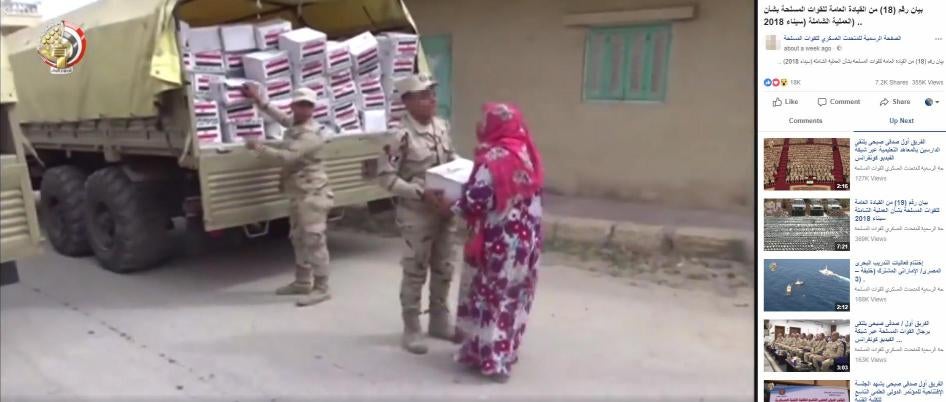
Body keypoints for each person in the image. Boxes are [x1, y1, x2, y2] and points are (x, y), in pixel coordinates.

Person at [431, 102, 544, 383]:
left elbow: (477, 200)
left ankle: (490, 358)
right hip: (526, 240)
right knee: (515, 296)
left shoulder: (494, 157)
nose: (481, 125)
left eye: (485, 121)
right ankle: (506, 351)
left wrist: (448, 203)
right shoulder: (525, 151)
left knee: (491, 295)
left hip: (499, 240)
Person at [376, 74, 460, 354]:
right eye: (424, 95)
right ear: (407, 102)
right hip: (416, 215)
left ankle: (439, 319)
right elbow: (386, 179)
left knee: (444, 267)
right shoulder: (399, 137)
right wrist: (419, 192)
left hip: (445, 211)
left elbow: (451, 162)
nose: (432, 99)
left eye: (433, 93)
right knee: (415, 271)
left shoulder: (442, 127)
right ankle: (412, 326)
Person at [242, 85, 335, 307]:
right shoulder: (295, 124)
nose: (304, 109)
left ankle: (322, 287)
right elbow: (282, 118)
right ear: (293, 105)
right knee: (298, 237)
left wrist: (258, 147)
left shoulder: (311, 135)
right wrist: (260, 101)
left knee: (314, 240)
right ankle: (303, 281)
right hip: (298, 192)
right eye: (300, 104)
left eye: (308, 105)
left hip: (313, 194)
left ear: (313, 108)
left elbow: (287, 157)